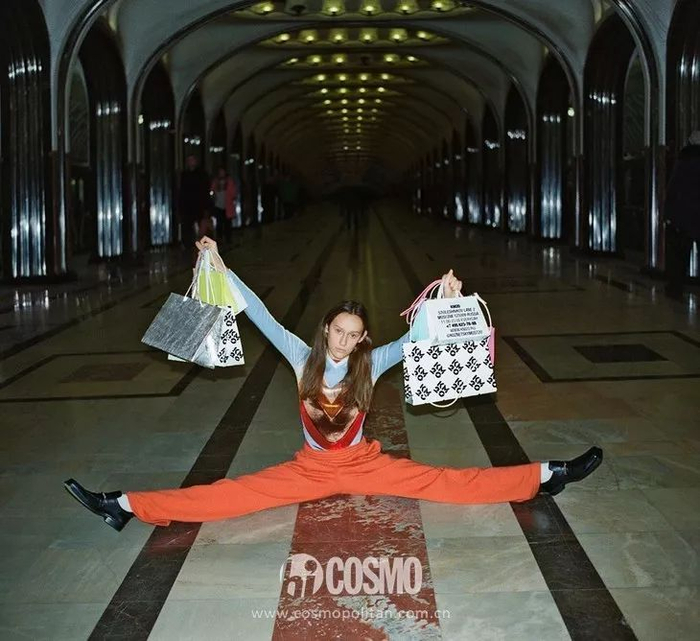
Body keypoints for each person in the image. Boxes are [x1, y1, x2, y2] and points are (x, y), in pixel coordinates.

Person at [63, 241, 603, 531]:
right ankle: (125, 504)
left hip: (365, 463)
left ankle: (546, 475)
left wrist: (447, 299)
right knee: (230, 496)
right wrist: (221, 268)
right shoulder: (302, 357)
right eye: (338, 331)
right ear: (326, 330)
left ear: (363, 337)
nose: (344, 342)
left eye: (354, 334)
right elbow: (261, 314)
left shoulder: (372, 361)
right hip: (310, 467)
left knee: (448, 482)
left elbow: (417, 337)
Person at [664, 131, 700, 298]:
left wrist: (668, 214)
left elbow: (673, 189)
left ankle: (675, 288)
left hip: (682, 216)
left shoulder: (683, 161)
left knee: (679, 255)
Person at [178, 155, 210, 248]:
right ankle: (188, 244)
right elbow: (182, 191)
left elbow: (205, 190)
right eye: (189, 160)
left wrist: (206, 205)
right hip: (188, 205)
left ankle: (201, 244)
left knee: (201, 225)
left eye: (192, 160)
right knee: (187, 225)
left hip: (199, 204)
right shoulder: (185, 174)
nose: (190, 162)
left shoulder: (202, 174)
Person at [210, 167, 236, 245]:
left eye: (222, 171)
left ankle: (228, 239)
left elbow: (233, 192)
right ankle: (220, 239)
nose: (221, 173)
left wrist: (231, 196)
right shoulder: (215, 181)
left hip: (227, 206)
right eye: (220, 172)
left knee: (227, 223)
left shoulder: (229, 181)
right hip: (218, 205)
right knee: (219, 223)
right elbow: (212, 191)